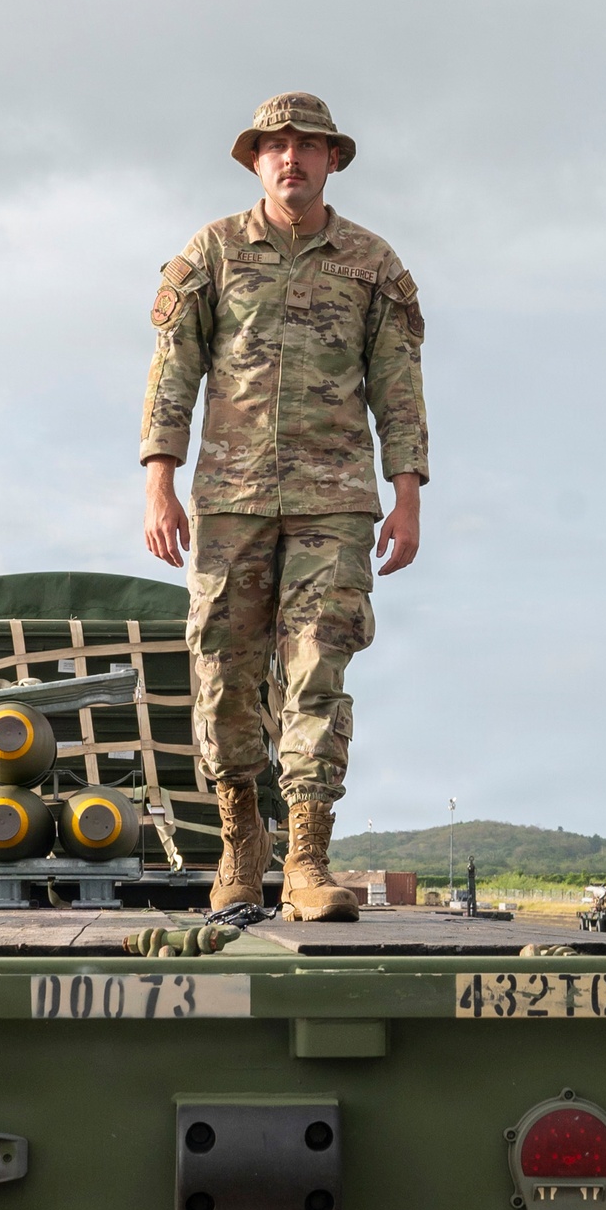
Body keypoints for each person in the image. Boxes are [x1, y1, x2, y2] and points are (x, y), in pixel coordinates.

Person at [141, 92, 427, 921]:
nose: (290, 157)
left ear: (332, 159)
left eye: (307, 145)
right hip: (228, 499)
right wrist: (159, 478)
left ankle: (306, 859)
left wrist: (407, 496)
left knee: (315, 675)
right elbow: (173, 372)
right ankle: (240, 847)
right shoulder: (215, 251)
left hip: (335, 502)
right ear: (256, 161)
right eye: (275, 146)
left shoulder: (372, 264)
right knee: (223, 673)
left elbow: (399, 389)